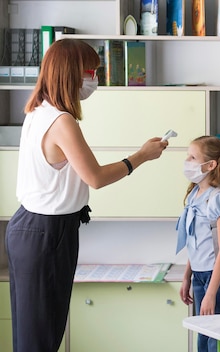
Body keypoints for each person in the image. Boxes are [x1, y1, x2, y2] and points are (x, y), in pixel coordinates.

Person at [5, 39, 167, 352]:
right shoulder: (61, 121)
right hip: (46, 233)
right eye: (90, 71)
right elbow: (95, 177)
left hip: (32, 227)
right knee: (41, 337)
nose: (94, 78)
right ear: (71, 73)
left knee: (34, 334)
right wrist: (142, 156)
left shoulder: (38, 111)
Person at [176, 136, 220, 352]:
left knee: (217, 341)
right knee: (203, 338)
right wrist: (187, 276)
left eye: (192, 157)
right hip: (200, 275)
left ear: (210, 165)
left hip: (217, 279)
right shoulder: (196, 194)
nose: (187, 160)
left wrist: (211, 292)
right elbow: (195, 242)